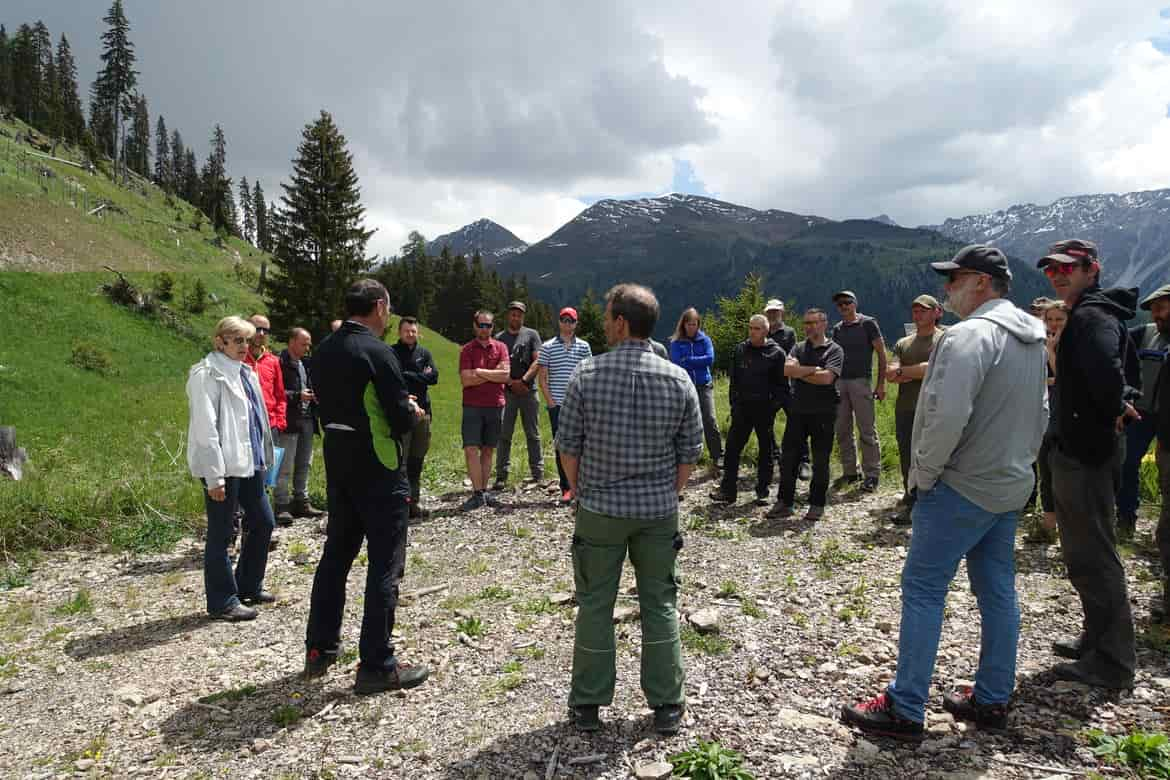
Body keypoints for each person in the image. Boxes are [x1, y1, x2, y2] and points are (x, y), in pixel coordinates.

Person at [842, 244, 1047, 740]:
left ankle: (906, 706)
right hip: (1008, 483)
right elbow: (1041, 412)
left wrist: (923, 477)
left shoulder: (966, 337)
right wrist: (1023, 468)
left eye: (954, 278)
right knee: (997, 590)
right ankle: (993, 699)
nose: (947, 287)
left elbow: (944, 416)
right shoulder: (1033, 338)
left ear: (980, 281)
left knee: (924, 589)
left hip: (959, 485)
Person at [556, 283, 703, 736]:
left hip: (600, 508)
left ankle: (587, 705)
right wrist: (670, 493)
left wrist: (581, 491)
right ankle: (666, 705)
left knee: (595, 603)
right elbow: (690, 452)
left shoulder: (587, 373)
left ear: (621, 322)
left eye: (606, 315)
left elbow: (568, 446)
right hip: (658, 510)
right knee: (659, 602)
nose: (602, 322)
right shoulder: (677, 378)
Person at [304, 279, 430, 694]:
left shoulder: (323, 349)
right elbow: (397, 418)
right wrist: (411, 410)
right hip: (380, 466)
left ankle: (320, 646)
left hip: (339, 465)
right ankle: (376, 663)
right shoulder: (378, 352)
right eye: (388, 308)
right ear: (379, 306)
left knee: (336, 555)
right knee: (385, 564)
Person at [1040, 238, 1137, 689]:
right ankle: (1096, 643)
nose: (1058, 275)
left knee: (1094, 556)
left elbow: (1107, 372)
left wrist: (1111, 408)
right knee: (1083, 554)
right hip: (1083, 447)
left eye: (1069, 268)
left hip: (1085, 452)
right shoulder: (1091, 313)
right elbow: (1120, 372)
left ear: (1091, 268)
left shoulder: (1093, 316)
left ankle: (1112, 662)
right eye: (1051, 270)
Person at [186, 316, 277, 622]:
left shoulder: (246, 374)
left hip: (249, 463)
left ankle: (248, 585)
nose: (244, 346)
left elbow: (257, 422)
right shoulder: (205, 375)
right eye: (237, 340)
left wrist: (265, 459)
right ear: (219, 341)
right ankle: (222, 600)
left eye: (247, 341)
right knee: (222, 532)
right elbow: (205, 430)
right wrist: (214, 476)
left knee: (264, 521)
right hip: (222, 467)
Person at [769, 308, 844, 521]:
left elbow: (827, 379)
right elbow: (787, 370)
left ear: (824, 324)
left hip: (824, 412)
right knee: (788, 458)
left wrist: (801, 372)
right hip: (798, 411)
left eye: (813, 323)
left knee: (821, 461)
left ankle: (817, 504)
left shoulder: (835, 350)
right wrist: (813, 370)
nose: (809, 327)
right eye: (806, 323)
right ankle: (785, 502)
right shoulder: (798, 347)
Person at [710, 315, 787, 506]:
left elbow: (782, 386)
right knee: (732, 450)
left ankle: (763, 491)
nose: (752, 332)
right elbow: (733, 380)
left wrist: (773, 408)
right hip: (742, 408)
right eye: (751, 328)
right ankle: (727, 491)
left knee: (766, 451)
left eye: (757, 329)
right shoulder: (740, 349)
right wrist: (734, 405)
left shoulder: (776, 353)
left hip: (764, 409)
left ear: (766, 331)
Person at [884, 295, 944, 525]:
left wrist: (903, 372)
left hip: (935, 408)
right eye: (915, 311)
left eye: (924, 310)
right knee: (908, 456)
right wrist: (912, 371)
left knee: (936, 455)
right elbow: (890, 374)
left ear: (936, 312)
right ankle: (911, 502)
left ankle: (935, 503)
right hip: (907, 408)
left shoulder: (944, 339)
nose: (918, 314)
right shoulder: (903, 342)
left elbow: (934, 369)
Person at [1117, 284, 1170, 541]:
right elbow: (1116, 358)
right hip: (1142, 414)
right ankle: (1126, 519)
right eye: (1153, 311)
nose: (1155, 315)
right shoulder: (1143, 334)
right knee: (1127, 463)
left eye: (1160, 308)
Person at [829, 291, 887, 492]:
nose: (844, 307)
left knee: (867, 430)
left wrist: (880, 384)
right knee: (842, 429)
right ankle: (850, 472)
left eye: (847, 303)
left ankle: (872, 475)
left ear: (855, 304)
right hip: (840, 383)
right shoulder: (837, 329)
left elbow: (881, 353)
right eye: (840, 305)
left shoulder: (868, 324)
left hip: (861, 382)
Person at [537, 306, 593, 505]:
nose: (567, 323)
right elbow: (542, 378)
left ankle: (583, 485)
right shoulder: (547, 346)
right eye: (564, 319)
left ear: (576, 324)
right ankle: (567, 487)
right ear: (559, 322)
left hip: (579, 405)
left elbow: (588, 375)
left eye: (571, 320)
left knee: (583, 445)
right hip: (558, 405)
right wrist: (551, 403)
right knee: (562, 447)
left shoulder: (584, 347)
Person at [459, 310, 511, 511]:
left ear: (493, 327)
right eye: (481, 325)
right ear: (474, 325)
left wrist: (479, 372)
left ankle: (484, 492)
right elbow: (466, 379)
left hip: (495, 405)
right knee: (471, 449)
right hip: (472, 405)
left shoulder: (501, 347)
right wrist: (492, 373)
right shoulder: (467, 350)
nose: (485, 329)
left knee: (488, 449)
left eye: (488, 325)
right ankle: (477, 493)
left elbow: (506, 375)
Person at [1027, 302, 1069, 544]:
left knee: (1064, 472)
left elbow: (1065, 380)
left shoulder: (1074, 347)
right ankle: (1048, 525)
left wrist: (1052, 352)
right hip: (1043, 413)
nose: (1053, 324)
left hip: (1066, 418)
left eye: (1059, 319)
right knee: (1045, 467)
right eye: (1049, 319)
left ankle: (1067, 528)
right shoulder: (1039, 345)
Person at [273, 327, 324, 524]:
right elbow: (276, 392)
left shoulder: (305, 364)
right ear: (292, 342)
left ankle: (301, 500)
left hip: (307, 418)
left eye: (308, 344)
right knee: (285, 465)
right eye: (303, 343)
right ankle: (281, 504)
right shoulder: (280, 363)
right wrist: (297, 396)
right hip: (289, 420)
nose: (307, 347)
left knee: (304, 462)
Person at [493, 301, 544, 490]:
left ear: (523, 316)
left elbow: (538, 361)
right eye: (513, 314)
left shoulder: (532, 335)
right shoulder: (499, 337)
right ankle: (501, 476)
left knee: (533, 434)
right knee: (504, 434)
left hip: (529, 392)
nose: (516, 317)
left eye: (519, 314)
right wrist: (510, 383)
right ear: (508, 315)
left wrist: (523, 381)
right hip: (506, 393)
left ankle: (537, 473)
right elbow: (496, 365)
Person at [392, 316, 439, 520]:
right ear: (399, 332)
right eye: (406, 331)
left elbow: (434, 377)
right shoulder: (392, 352)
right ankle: (400, 503)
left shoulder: (424, 353)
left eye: (413, 331)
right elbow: (393, 379)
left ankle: (414, 502)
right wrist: (419, 375)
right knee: (400, 460)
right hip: (402, 412)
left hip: (424, 414)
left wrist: (409, 375)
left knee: (417, 460)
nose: (410, 334)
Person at [764, 298, 810, 482]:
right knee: (765, 423)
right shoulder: (762, 331)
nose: (773, 314)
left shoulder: (789, 332)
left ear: (782, 313)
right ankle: (775, 456)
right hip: (768, 387)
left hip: (788, 385)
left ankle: (804, 461)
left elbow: (792, 356)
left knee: (798, 421)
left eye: (776, 311)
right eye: (770, 312)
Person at [669, 308, 722, 468]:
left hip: (703, 384)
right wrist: (697, 361)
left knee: (710, 419)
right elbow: (677, 362)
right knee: (680, 423)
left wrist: (689, 359)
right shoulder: (676, 342)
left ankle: (718, 455)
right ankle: (680, 459)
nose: (691, 327)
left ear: (698, 324)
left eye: (694, 324)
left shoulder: (705, 340)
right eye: (689, 324)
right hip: (683, 386)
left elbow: (710, 359)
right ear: (683, 324)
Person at [244, 314, 287, 439]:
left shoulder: (273, 361)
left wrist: (280, 424)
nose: (262, 333)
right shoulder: (237, 358)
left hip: (270, 425)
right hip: (244, 423)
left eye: (266, 331)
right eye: (257, 329)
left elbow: (280, 395)